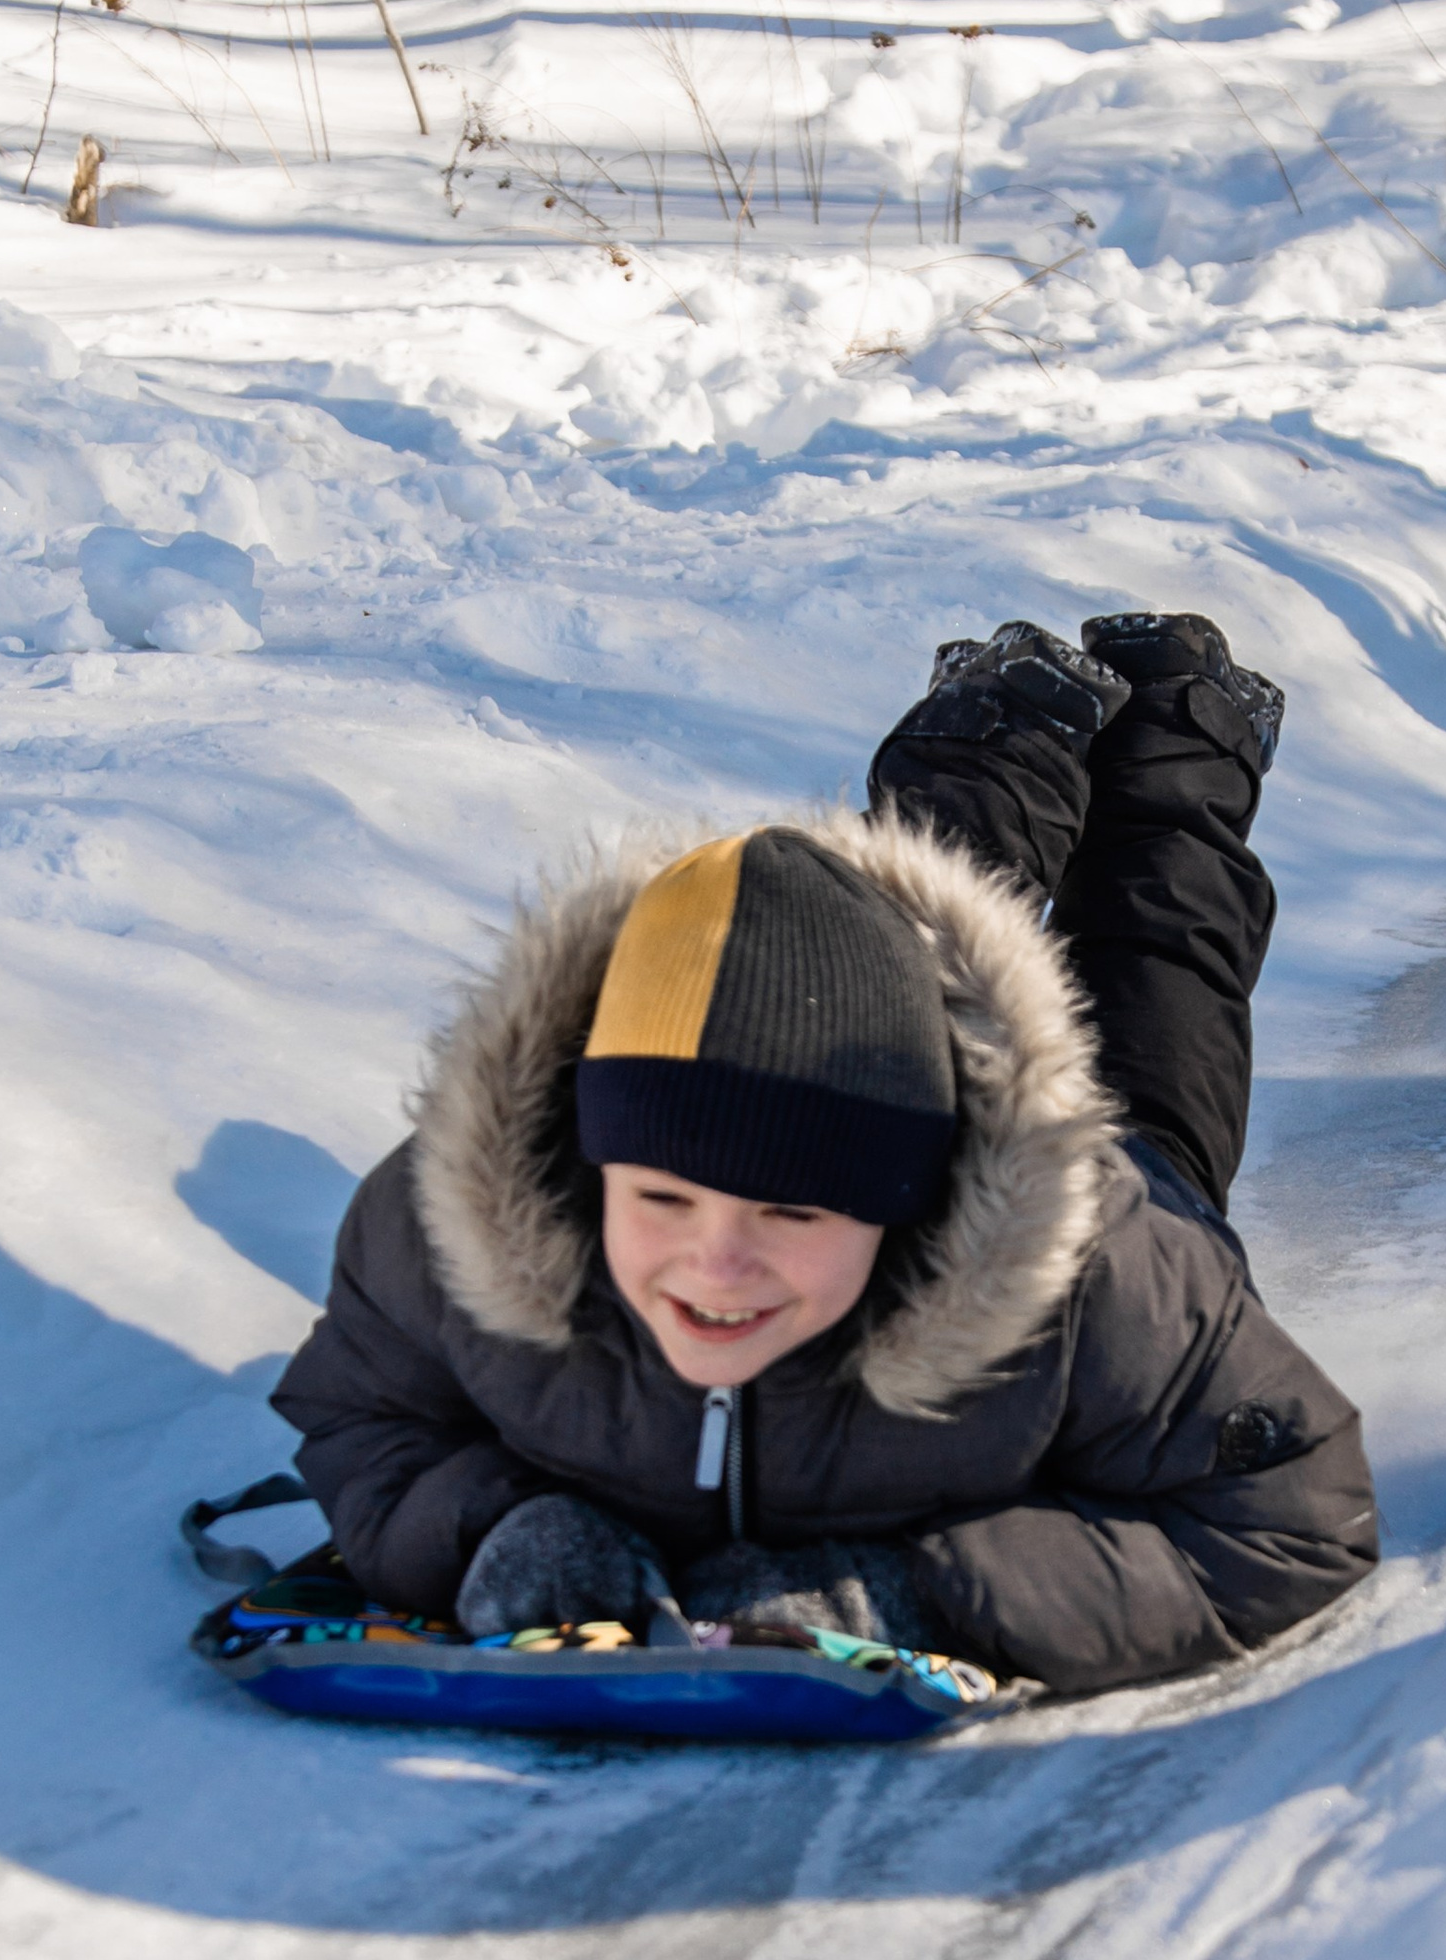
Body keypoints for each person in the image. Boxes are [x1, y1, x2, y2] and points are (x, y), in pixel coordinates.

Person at [273, 615, 1378, 1697]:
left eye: (794, 1217)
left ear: (903, 1205)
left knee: (1152, 969)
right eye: (661, 1196)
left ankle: (1184, 731)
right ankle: (1007, 719)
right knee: (874, 924)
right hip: (816, 1049)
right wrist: (499, 1529)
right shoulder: (453, 1222)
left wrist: (921, 1587)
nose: (716, 1264)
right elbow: (365, 1418)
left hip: (1066, 1179)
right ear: (591, 1163)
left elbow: (1288, 1522)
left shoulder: (1095, 1272)